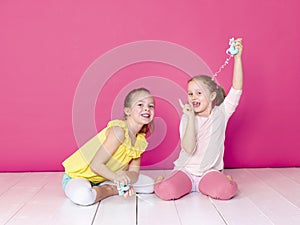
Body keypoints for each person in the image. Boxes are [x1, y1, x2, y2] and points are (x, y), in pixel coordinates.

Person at [154, 38, 243, 200]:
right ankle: (162, 180)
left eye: (199, 93)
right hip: (185, 171)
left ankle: (223, 180)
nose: (193, 97)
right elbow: (188, 149)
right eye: (190, 93)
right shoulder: (187, 118)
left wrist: (237, 59)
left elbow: (237, 89)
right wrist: (188, 118)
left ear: (212, 95)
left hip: (208, 173)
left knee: (226, 191)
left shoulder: (221, 114)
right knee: (165, 192)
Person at [62, 87, 155, 206]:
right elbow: (95, 165)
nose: (147, 108)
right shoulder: (118, 131)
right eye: (140, 104)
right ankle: (110, 190)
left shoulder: (140, 140)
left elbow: (134, 172)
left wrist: (124, 177)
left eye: (151, 106)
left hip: (105, 177)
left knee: (149, 186)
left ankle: (107, 185)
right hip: (78, 176)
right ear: (127, 111)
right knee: (83, 196)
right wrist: (118, 179)